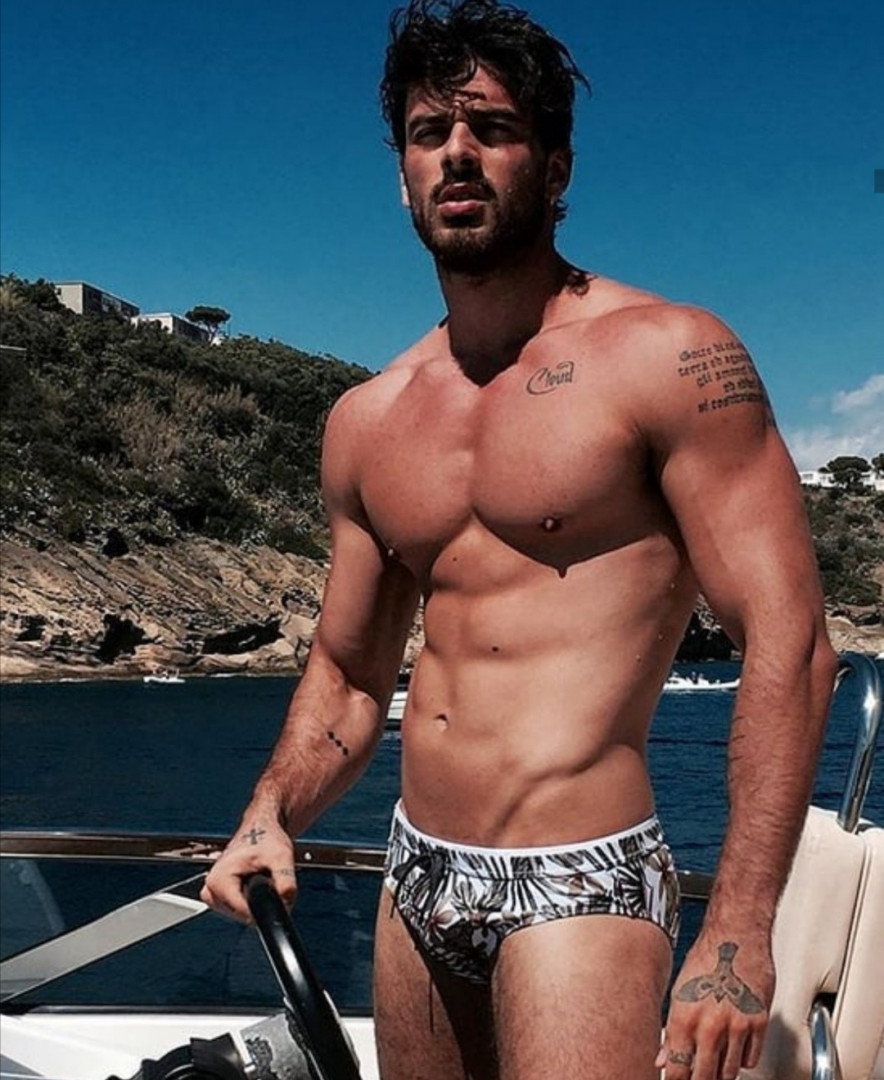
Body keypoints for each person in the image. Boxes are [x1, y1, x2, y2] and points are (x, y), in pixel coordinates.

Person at [201, 2, 837, 1077]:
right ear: (402, 176)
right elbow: (351, 672)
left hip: (580, 879)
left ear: (555, 167)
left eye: (491, 128)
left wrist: (736, 929)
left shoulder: (667, 358)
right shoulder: (368, 420)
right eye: (428, 132)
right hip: (417, 872)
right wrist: (270, 811)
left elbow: (791, 641)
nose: (456, 152)